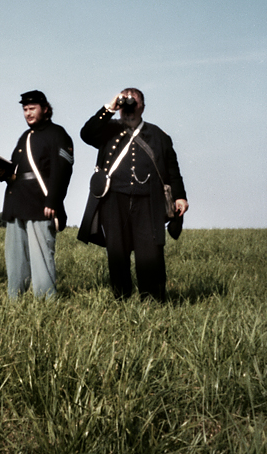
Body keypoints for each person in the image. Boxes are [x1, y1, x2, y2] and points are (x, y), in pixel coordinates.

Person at [78, 88, 188, 302]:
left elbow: (172, 169)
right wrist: (109, 107)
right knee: (117, 253)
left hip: (149, 201)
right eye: (124, 102)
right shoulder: (106, 130)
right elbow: (86, 134)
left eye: (133, 102)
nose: (128, 106)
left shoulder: (158, 135)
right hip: (114, 201)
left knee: (151, 254)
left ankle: (153, 301)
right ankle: (122, 299)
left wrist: (180, 196)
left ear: (143, 107)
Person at [0, 90, 74, 299]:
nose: (28, 113)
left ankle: (46, 301)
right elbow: (17, 171)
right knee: (15, 259)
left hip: (41, 203)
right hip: (16, 203)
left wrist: (53, 200)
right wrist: (3, 172)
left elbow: (63, 169)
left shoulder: (57, 133)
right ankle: (16, 299)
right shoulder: (25, 136)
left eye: (32, 109)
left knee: (41, 258)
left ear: (45, 109)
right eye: (25, 109)